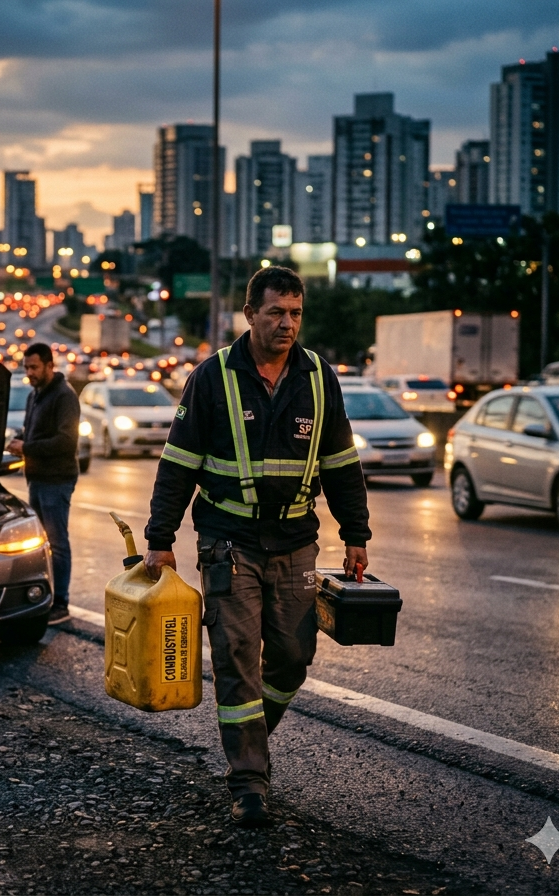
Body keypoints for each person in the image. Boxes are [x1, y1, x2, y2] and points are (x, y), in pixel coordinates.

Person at [142, 266, 371, 828]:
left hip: (296, 543)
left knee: (293, 658)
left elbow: (340, 462)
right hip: (229, 543)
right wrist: (160, 539)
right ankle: (249, 781)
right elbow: (177, 465)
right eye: (276, 312)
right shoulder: (211, 378)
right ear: (250, 315)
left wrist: (356, 533)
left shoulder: (320, 378)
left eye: (295, 312)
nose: (287, 323)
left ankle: (249, 737)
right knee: (237, 660)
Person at [7, 343, 80, 624]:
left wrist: (26, 447)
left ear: (51, 365)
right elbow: (32, 432)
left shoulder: (64, 396)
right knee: (43, 543)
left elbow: (66, 441)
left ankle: (60, 603)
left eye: (34, 367)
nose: (29, 373)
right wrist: (20, 440)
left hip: (56, 479)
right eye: (26, 368)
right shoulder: (34, 395)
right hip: (37, 478)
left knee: (57, 542)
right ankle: (44, 597)